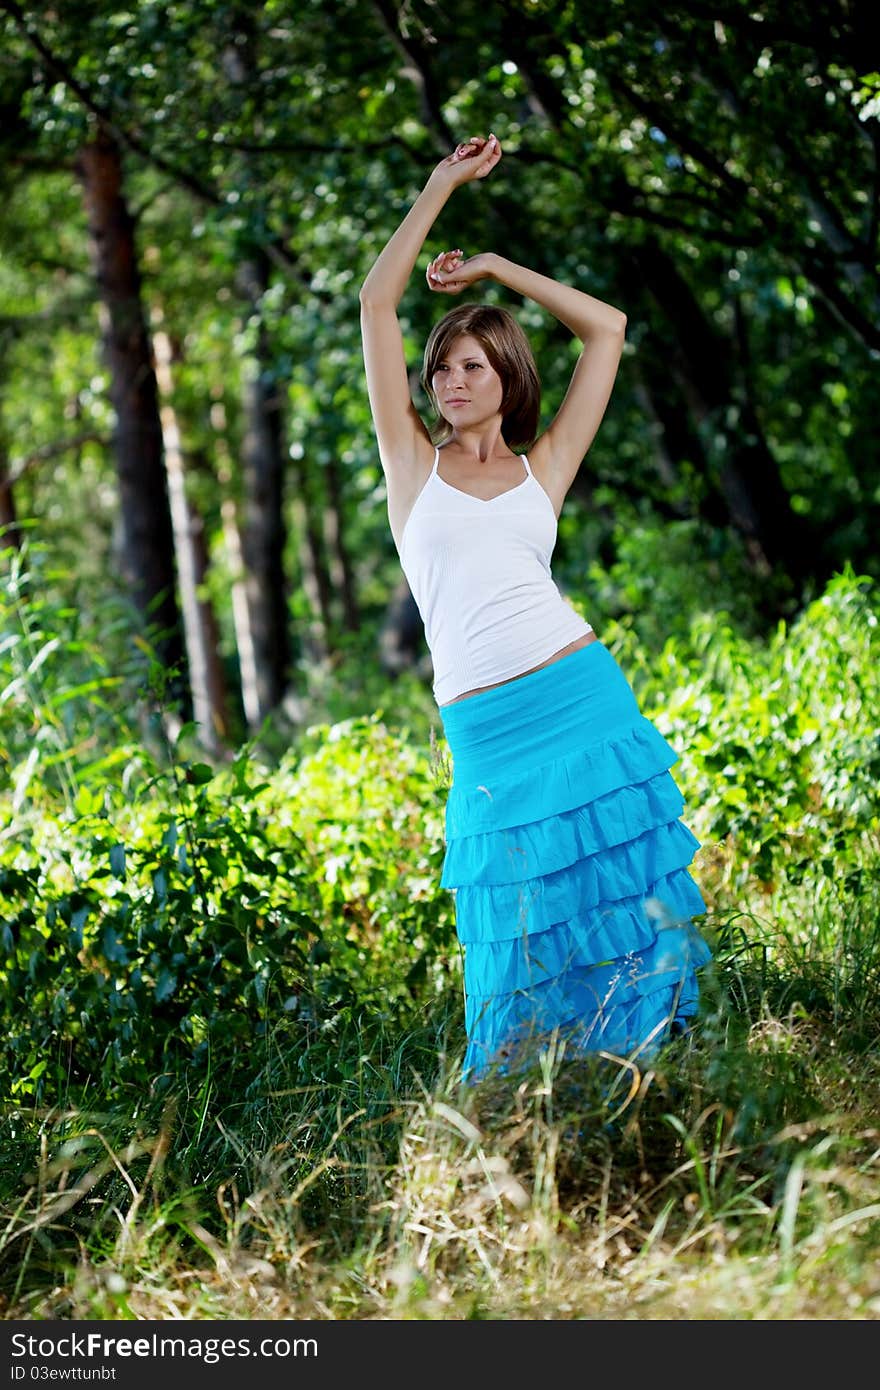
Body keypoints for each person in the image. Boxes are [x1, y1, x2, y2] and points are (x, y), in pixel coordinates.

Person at [359, 134, 711, 1082]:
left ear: (508, 376)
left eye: (474, 365)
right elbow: (375, 302)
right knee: (512, 939)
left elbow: (607, 327)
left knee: (620, 904)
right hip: (488, 732)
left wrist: (497, 269)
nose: (451, 380)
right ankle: (520, 1114)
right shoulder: (411, 468)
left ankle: (640, 1091)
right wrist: (440, 186)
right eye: (442, 369)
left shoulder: (542, 468)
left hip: (582, 699)